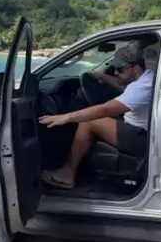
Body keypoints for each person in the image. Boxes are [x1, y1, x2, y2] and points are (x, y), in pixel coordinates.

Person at [39, 43, 154, 189]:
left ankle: (67, 174)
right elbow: (124, 87)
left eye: (119, 69)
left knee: (89, 122)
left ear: (136, 68)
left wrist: (65, 117)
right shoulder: (145, 77)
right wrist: (101, 76)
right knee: (93, 118)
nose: (116, 73)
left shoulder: (143, 87)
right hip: (143, 130)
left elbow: (105, 110)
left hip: (142, 138)